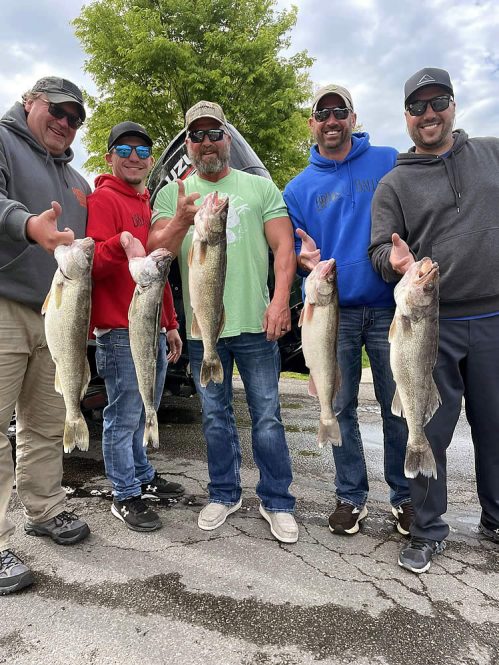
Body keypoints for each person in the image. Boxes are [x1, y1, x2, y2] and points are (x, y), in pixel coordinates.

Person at [148, 101, 299, 544]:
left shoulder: (258, 188)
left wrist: (280, 301)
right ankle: (224, 492)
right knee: (215, 418)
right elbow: (156, 246)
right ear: (189, 144)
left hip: (255, 323)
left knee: (267, 416)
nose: (206, 142)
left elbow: (284, 249)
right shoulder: (173, 193)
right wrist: (180, 218)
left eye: (214, 133)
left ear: (227, 139)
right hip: (202, 332)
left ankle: (276, 501)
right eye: (197, 136)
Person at [370, 67, 499, 574]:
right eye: (418, 107)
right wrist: (397, 263)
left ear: (452, 104)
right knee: (426, 426)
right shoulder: (394, 183)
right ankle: (426, 529)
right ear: (406, 116)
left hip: (494, 317)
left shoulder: (492, 152)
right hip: (430, 325)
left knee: (495, 426)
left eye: (437, 102)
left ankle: (495, 518)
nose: (429, 114)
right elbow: (380, 251)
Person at [283, 84, 411, 537]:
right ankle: (350, 496)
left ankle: (406, 498)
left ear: (353, 118)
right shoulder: (297, 188)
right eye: (323, 113)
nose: (332, 120)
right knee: (337, 404)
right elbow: (296, 253)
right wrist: (302, 265)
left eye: (340, 111)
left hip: (390, 308)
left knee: (399, 406)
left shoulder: (388, 160)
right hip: (332, 311)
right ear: (311, 124)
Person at [0, 76, 91, 595]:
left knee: (47, 420)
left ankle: (45, 508)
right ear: (30, 102)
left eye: (76, 117)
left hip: (56, 315)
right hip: (5, 304)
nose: (65, 122)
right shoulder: (4, 140)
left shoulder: (76, 178)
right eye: (57, 109)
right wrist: (27, 224)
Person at [87, 122, 185, 532]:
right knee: (123, 414)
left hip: (153, 330)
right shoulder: (103, 199)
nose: (134, 157)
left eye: (143, 152)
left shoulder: (147, 204)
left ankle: (142, 475)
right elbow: (90, 262)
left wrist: (171, 324)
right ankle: (124, 493)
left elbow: (155, 274)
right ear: (110, 156)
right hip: (118, 331)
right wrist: (120, 242)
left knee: (147, 407)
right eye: (124, 149)